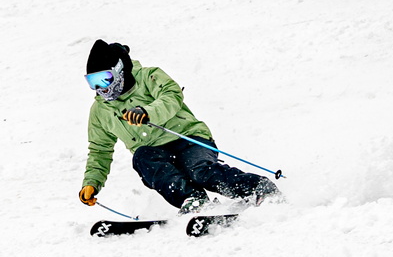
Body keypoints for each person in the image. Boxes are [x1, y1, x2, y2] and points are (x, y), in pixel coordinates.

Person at [78, 39, 279, 213]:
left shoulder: (149, 77)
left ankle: (258, 188)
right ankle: (193, 201)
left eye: (104, 79)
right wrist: (92, 183)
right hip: (156, 152)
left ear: (119, 71)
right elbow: (99, 150)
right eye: (92, 82)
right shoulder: (100, 111)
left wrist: (147, 112)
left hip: (188, 139)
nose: (100, 88)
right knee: (142, 158)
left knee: (200, 171)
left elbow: (171, 96)